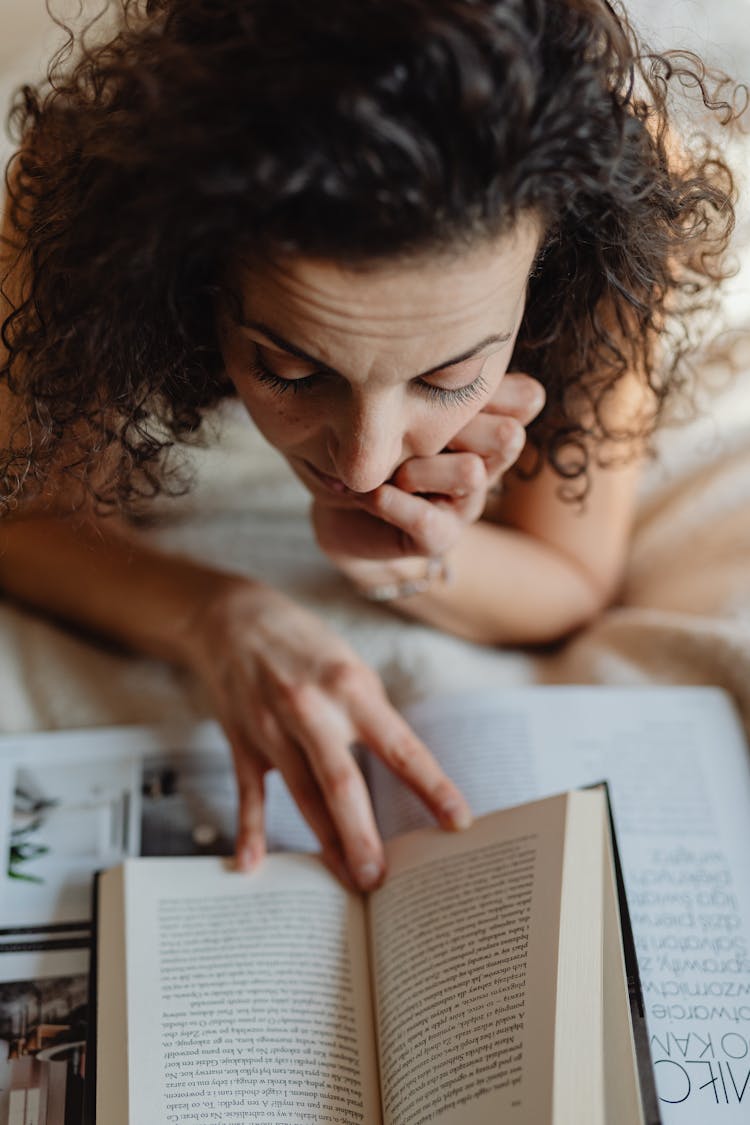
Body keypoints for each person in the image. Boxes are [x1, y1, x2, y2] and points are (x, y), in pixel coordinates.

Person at [0, 0, 739, 891]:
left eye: (448, 377)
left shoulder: (608, 189)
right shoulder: (100, 190)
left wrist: (412, 557)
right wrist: (220, 618)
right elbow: (22, 515)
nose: (364, 462)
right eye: (288, 366)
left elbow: (572, 576)